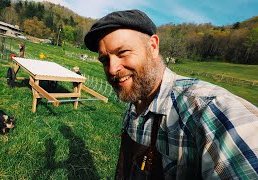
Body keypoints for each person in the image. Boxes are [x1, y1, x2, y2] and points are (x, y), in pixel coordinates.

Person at [84, 9, 258, 179]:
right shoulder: (134, 102)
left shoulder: (208, 109)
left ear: (152, 47)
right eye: (105, 60)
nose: (113, 69)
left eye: (123, 52)